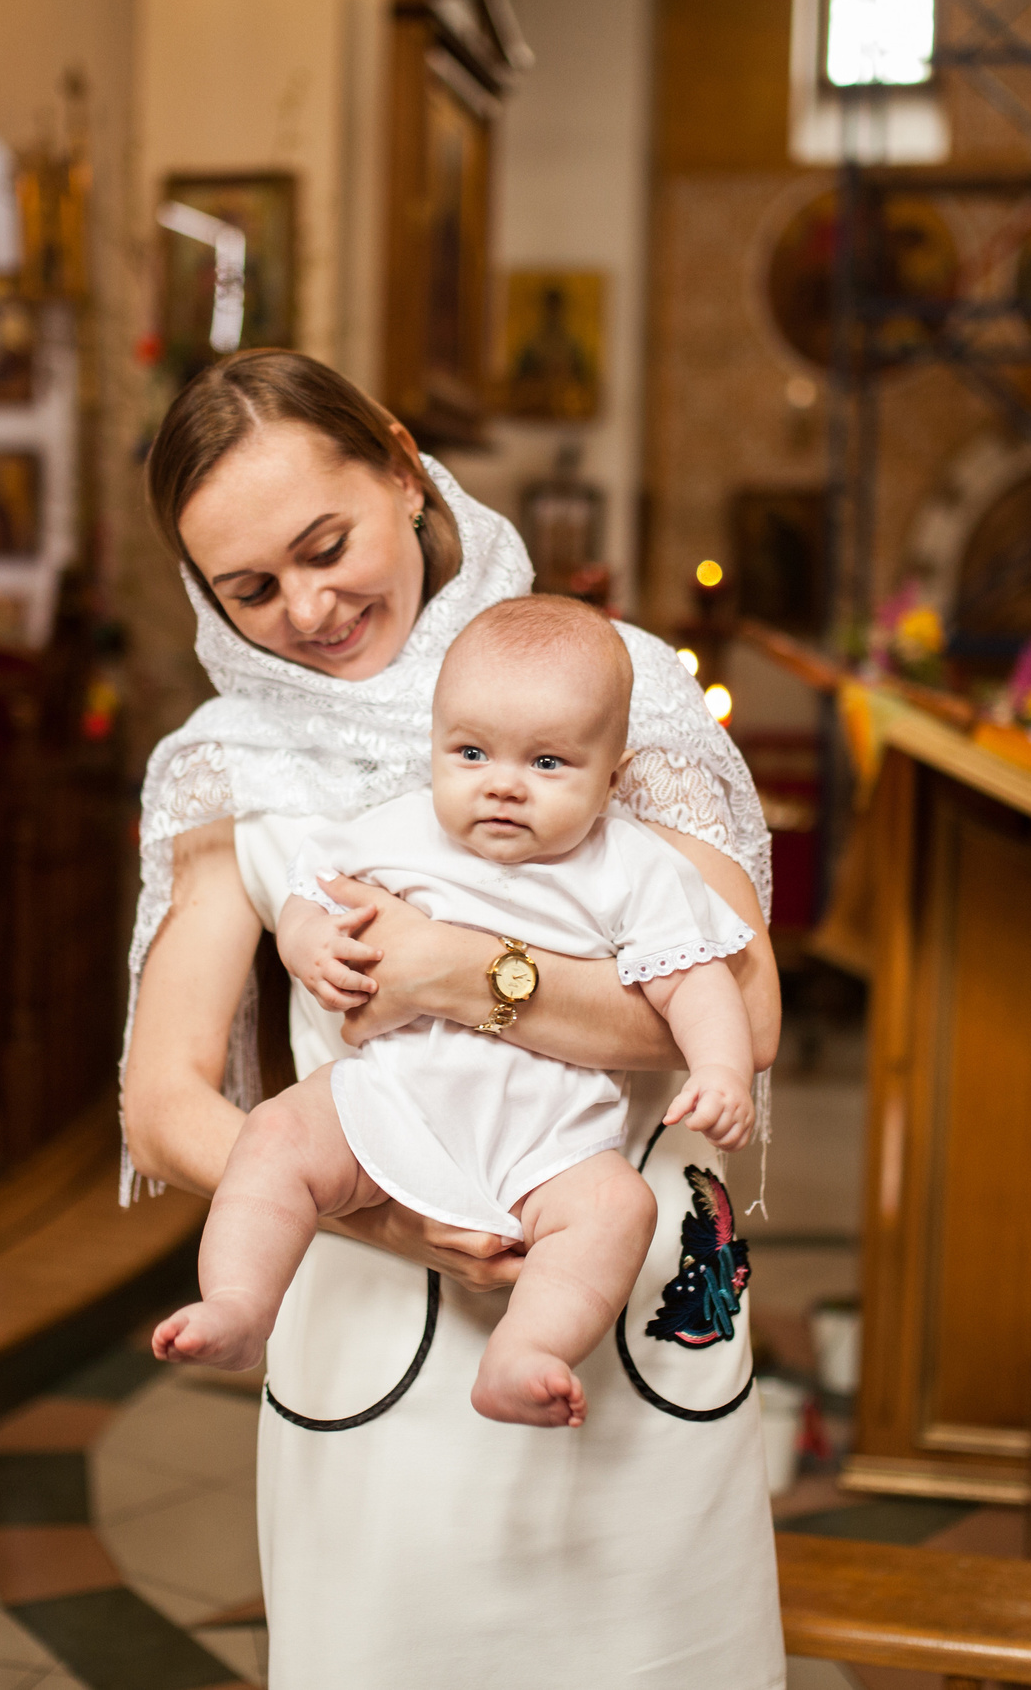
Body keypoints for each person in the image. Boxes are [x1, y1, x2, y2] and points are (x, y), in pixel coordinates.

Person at [121, 348, 784, 1687]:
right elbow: (164, 1100)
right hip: (372, 1306)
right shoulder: (225, 760)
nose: (308, 607)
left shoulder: (612, 683)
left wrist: (459, 971)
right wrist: (388, 1214)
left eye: (327, 546)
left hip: (615, 1282)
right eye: (250, 588)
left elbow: (744, 1008)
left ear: (402, 467)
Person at [152, 595, 759, 1428]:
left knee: (618, 1209)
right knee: (277, 1133)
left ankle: (527, 1350)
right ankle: (239, 1303)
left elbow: (693, 979)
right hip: (394, 1098)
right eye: (470, 752)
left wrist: (721, 1068)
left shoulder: (632, 866)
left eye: (548, 762)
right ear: (433, 746)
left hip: (551, 1140)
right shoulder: (399, 831)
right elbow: (310, 893)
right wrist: (307, 943)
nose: (502, 784)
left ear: (612, 779)